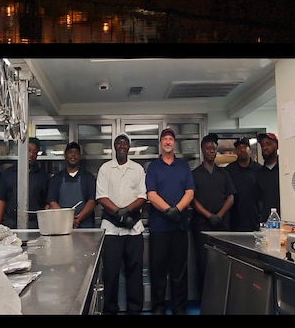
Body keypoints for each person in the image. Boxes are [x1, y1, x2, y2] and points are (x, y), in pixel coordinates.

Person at [95, 132, 147, 315]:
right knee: (111, 274)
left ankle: (135, 310)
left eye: (125, 143)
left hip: (134, 229)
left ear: (129, 147)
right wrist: (117, 212)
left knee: (134, 272)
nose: (122, 145)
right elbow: (101, 196)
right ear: (115, 147)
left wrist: (127, 210)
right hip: (111, 230)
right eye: (119, 143)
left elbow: (142, 196)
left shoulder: (138, 169)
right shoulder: (105, 169)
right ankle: (110, 310)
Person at [145, 126, 195, 315]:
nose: (167, 142)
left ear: (174, 143)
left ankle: (179, 308)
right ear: (160, 143)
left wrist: (178, 210)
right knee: (158, 272)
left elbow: (190, 192)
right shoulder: (153, 167)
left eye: (170, 139)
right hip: (159, 228)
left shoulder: (183, 166)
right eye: (164, 139)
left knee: (179, 272)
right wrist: (167, 210)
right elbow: (151, 194)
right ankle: (158, 308)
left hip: (179, 227)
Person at [191, 133, 235, 295]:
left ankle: (221, 299)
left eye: (214, 149)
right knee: (203, 264)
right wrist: (208, 215)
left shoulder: (223, 173)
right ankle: (204, 300)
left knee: (222, 263)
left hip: (222, 226)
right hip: (202, 225)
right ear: (202, 150)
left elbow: (231, 197)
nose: (211, 151)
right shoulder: (195, 174)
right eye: (208, 148)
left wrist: (219, 215)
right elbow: (192, 199)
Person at [46, 141, 97, 228]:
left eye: (76, 153)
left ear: (80, 157)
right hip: (61, 226)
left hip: (85, 227)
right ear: (65, 155)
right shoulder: (56, 178)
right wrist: (67, 219)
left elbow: (92, 201)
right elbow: (52, 201)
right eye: (70, 152)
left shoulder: (88, 177)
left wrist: (78, 218)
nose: (73, 155)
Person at [1, 137, 48, 229]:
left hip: (34, 225)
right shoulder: (8, 174)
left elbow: (47, 203)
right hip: (10, 224)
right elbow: (1, 200)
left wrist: (45, 224)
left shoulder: (43, 176)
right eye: (29, 150)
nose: (31, 154)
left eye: (35, 152)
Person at [227, 136, 264, 231]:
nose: (242, 150)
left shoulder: (259, 169)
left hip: (255, 220)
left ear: (250, 150)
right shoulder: (229, 170)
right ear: (236, 151)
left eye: (245, 147)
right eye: (239, 148)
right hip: (234, 221)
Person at [256, 132, 280, 222]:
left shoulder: (284, 171)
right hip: (265, 222)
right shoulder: (259, 173)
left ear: (277, 146)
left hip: (285, 220)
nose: (265, 147)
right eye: (262, 145)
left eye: (268, 144)